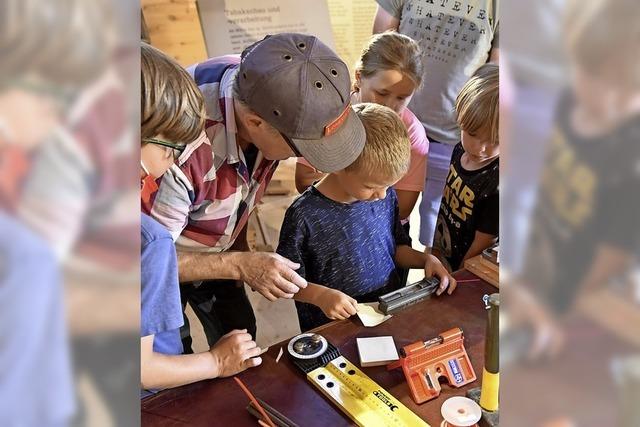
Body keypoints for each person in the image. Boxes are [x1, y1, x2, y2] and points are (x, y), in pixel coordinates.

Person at [142, 33, 366, 353]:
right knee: (172, 352)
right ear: (254, 122)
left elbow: (243, 186)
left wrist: (242, 254)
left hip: (217, 243)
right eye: (299, 148)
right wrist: (239, 265)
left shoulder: (269, 86)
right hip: (163, 259)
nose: (302, 160)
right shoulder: (182, 149)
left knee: (240, 331)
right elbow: (145, 261)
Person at [140, 43, 262, 396]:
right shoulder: (151, 241)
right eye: (169, 147)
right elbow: (143, 369)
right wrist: (217, 361)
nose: (171, 161)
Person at [277, 103, 455, 331]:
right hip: (332, 327)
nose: (381, 195)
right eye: (371, 186)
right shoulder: (304, 215)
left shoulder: (385, 195)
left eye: (388, 186)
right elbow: (286, 281)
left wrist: (426, 260)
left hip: (386, 312)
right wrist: (320, 296)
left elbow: (395, 249)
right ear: (339, 163)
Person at [372, 0, 499, 248]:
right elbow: (381, 46)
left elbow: (494, 75)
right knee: (386, 210)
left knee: (441, 221)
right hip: (399, 125)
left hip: (455, 135)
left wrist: (476, 130)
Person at [295, 31, 429, 222]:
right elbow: (304, 180)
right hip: (329, 221)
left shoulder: (412, 133)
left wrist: (347, 182)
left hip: (383, 228)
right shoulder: (330, 113)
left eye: (402, 98)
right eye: (382, 93)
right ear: (359, 77)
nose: (389, 105)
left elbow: (404, 207)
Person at [432, 63, 499, 272]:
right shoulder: (460, 149)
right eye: (472, 133)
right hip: (443, 250)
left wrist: (458, 276)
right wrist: (435, 253)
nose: (479, 148)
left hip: (464, 269)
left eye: (495, 141)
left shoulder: (498, 186)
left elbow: (482, 244)